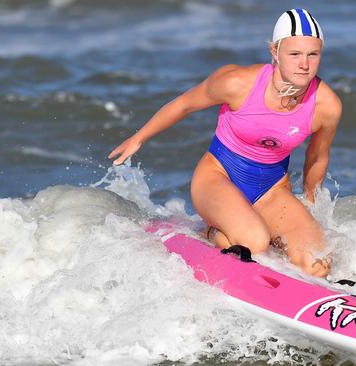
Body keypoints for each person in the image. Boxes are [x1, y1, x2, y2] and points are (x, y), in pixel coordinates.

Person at [108, 8, 341, 278]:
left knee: (317, 265)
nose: (304, 64)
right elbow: (184, 104)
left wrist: (311, 204)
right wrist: (139, 137)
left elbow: (318, 156)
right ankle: (210, 230)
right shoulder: (237, 83)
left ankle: (258, 230)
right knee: (254, 244)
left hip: (272, 189)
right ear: (275, 52)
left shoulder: (327, 105)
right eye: (295, 54)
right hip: (218, 178)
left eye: (313, 54)